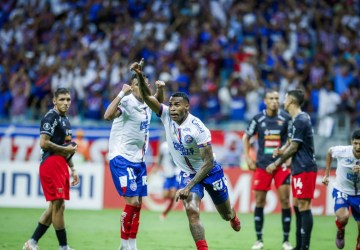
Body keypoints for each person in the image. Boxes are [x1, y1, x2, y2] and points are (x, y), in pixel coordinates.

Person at [131, 60, 240, 250]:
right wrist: (140, 76)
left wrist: (188, 186)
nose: (172, 108)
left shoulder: (198, 128)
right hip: (188, 173)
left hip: (210, 172)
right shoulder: (166, 116)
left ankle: (232, 216)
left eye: (177, 105)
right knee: (191, 210)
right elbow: (149, 99)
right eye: (171, 105)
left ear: (187, 107)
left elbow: (208, 162)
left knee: (225, 214)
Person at [103, 63, 164, 250]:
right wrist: (121, 93)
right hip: (121, 157)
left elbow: (158, 105)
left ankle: (132, 245)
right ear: (132, 86)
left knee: (138, 204)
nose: (143, 89)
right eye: (138, 85)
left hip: (138, 160)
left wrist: (160, 89)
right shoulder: (127, 101)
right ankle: (123, 245)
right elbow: (108, 115)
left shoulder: (147, 102)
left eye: (146, 86)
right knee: (133, 201)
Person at [23, 88, 79, 250]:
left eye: (68, 100)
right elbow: (44, 143)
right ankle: (63, 247)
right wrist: (65, 150)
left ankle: (32, 242)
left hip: (61, 164)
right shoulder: (51, 117)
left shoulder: (66, 120)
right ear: (54, 101)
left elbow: (67, 147)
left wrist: (73, 168)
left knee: (55, 206)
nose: (66, 103)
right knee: (59, 205)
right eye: (62, 99)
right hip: (51, 163)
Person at [266, 89, 318, 250]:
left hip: (305, 167)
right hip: (298, 167)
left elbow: (295, 146)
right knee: (296, 203)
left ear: (291, 101)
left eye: (286, 98)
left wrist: (276, 163)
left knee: (304, 205)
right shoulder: (296, 120)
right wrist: (281, 149)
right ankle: (299, 244)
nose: (283, 100)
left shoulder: (300, 120)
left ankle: (305, 246)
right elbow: (291, 141)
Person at [242, 90, 293, 250]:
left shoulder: (286, 118)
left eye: (277, 98)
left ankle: (286, 241)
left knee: (285, 201)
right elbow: (246, 137)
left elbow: (292, 139)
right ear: (265, 101)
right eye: (271, 98)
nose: (274, 101)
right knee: (259, 202)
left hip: (281, 165)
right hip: (262, 165)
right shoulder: (258, 119)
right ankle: (259, 240)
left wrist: (289, 156)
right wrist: (248, 158)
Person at [322, 129, 360, 250]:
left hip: (359, 194)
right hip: (342, 190)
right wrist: (326, 174)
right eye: (355, 143)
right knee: (343, 217)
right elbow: (329, 152)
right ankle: (340, 230)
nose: (358, 147)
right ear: (351, 142)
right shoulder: (343, 151)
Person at [155, 139, 180, 220]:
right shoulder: (163, 146)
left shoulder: (178, 144)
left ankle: (165, 213)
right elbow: (160, 158)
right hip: (167, 173)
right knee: (165, 195)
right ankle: (167, 209)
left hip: (177, 173)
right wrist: (156, 168)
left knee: (173, 195)